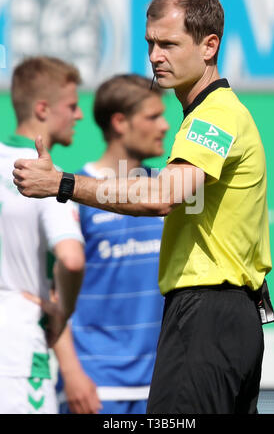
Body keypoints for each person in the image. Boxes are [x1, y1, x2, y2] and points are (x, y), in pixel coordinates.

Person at [12, 0, 273, 414]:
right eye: (150, 43)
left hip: (207, 313)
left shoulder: (216, 114)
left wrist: (62, 183)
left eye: (169, 44)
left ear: (210, 46)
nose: (154, 56)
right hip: (221, 317)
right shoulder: (206, 115)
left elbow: (162, 197)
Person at [54, 74, 168, 415]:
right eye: (152, 117)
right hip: (95, 385)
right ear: (120, 122)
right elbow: (53, 295)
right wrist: (72, 374)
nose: (164, 126)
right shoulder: (72, 192)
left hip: (161, 383)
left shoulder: (168, 190)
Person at [0, 56, 85, 414]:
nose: (79, 115)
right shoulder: (46, 176)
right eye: (72, 105)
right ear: (42, 109)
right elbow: (71, 258)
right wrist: (61, 312)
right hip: (18, 346)